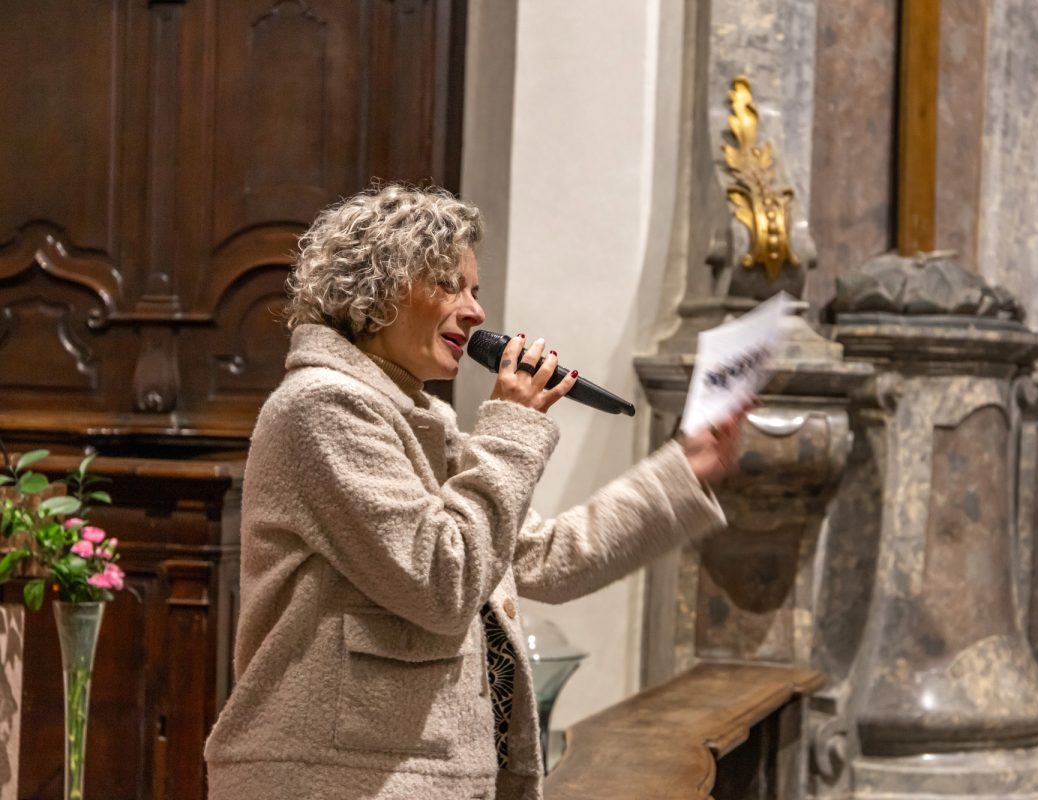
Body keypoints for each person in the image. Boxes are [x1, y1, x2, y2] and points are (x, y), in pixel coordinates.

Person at [203, 185, 742, 800]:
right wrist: (511, 428)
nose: (476, 312)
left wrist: (684, 470)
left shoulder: (419, 419)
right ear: (376, 288)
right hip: (330, 780)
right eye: (448, 285)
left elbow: (545, 556)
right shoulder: (320, 407)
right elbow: (442, 581)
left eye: (474, 290)